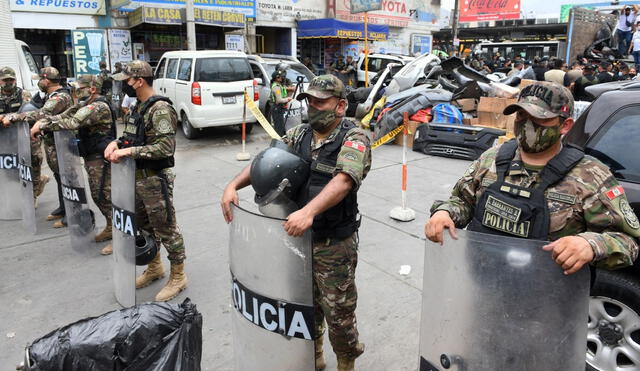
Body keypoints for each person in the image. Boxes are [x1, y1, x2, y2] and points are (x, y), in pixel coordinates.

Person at [221, 75, 370, 371]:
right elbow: (267, 160)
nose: (312, 107)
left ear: (340, 106)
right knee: (304, 306)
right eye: (309, 101)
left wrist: (309, 211)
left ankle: (346, 361)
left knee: (338, 312)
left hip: (332, 244)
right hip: (295, 239)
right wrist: (232, 186)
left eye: (320, 102)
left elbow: (343, 181)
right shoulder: (300, 134)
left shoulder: (354, 137)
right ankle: (313, 356)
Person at [426, 81, 639, 277]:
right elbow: (462, 201)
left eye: (540, 118)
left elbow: (628, 241)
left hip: (547, 299)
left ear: (565, 125)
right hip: (485, 284)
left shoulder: (591, 175)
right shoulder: (492, 158)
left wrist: (590, 245)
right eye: (521, 116)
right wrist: (445, 213)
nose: (528, 124)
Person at [105, 60, 187, 302]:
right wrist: (117, 143)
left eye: (127, 80)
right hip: (136, 179)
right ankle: (155, 268)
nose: (124, 85)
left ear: (138, 81)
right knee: (144, 226)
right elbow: (132, 137)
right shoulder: (138, 107)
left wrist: (128, 153)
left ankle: (179, 276)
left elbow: (165, 147)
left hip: (154, 179)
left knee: (166, 228)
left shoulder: (160, 109)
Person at [30, 74, 115, 252]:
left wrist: (43, 126)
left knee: (106, 197)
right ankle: (110, 227)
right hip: (92, 157)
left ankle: (119, 236)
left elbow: (72, 122)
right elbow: (64, 115)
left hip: (101, 159)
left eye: (80, 88)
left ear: (92, 89)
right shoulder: (84, 104)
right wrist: (44, 121)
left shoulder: (97, 106)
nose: (76, 91)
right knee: (98, 196)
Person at [3, 67, 72, 226]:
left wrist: (13, 117)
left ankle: (72, 213)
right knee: (58, 176)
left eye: (40, 79)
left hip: (62, 144)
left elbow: (41, 113)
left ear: (46, 80)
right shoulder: (50, 95)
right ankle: (63, 208)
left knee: (67, 179)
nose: (38, 82)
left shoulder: (60, 97)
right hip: (52, 142)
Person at [0, 66, 48, 201]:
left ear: (15, 80)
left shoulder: (23, 95)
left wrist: (8, 117)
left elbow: (28, 114)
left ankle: (32, 196)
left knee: (33, 162)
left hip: (24, 135)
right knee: (10, 169)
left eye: (11, 79)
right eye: (5, 80)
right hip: (5, 139)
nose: (8, 82)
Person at [269, 68, 293, 137]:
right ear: (276, 78)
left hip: (280, 108)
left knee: (282, 126)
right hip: (277, 108)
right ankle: (279, 141)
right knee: (279, 127)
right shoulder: (276, 87)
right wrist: (287, 99)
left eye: (281, 76)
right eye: (280, 77)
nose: (282, 78)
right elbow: (278, 100)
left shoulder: (279, 85)